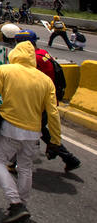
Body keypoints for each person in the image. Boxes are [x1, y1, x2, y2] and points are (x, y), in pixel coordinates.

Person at [0, 41, 61, 223]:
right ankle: (22, 205)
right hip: (33, 133)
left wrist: (4, 103)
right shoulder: (45, 80)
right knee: (25, 167)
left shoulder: (6, 70)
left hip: (9, 127)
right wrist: (55, 140)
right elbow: (53, 113)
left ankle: (15, 202)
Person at [15, 30, 81, 172]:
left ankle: (19, 162)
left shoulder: (34, 59)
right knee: (40, 130)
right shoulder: (43, 53)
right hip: (48, 98)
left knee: (29, 130)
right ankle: (68, 158)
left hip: (41, 102)